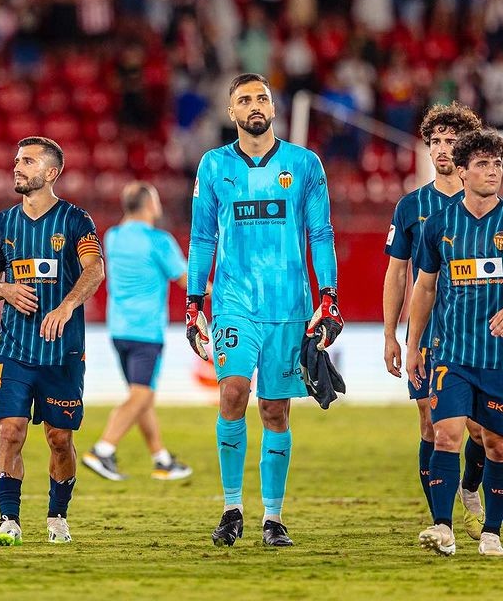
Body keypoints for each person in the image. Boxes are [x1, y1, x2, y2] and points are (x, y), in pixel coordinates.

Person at [187, 73, 341, 548]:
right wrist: (194, 303)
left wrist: (329, 296)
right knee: (233, 392)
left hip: (289, 306)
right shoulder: (213, 165)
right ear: (231, 112)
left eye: (262, 98)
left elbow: (321, 233)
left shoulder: (305, 164)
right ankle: (232, 509)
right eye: (244, 100)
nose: (254, 105)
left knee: (275, 409)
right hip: (233, 302)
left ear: (273, 108)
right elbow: (202, 237)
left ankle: (273, 518)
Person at [407, 129, 503, 557]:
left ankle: (491, 533)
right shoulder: (439, 224)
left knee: (498, 445)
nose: (493, 171)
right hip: (452, 352)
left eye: (497, 164)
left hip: (502, 356)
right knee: (446, 434)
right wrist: (412, 345)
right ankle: (443, 528)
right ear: (463, 171)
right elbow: (424, 288)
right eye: (483, 164)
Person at [0, 136, 105, 547]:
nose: (17, 166)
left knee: (59, 439)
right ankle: (9, 520)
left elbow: (94, 269)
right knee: (10, 432)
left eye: (28, 161)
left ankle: (57, 516)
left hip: (62, 350)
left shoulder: (75, 220)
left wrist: (66, 306)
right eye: (17, 159)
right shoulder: (3, 223)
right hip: (14, 348)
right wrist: (6, 290)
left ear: (51, 173)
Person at [382, 103, 492, 535]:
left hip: (479, 332)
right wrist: (391, 335)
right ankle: (440, 523)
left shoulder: (490, 205)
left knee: (481, 432)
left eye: (452, 140)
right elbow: (397, 273)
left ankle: (469, 487)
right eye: (436, 141)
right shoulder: (412, 206)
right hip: (428, 334)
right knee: (431, 423)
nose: (443, 148)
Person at [82, 181, 192, 482]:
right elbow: (186, 280)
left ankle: (161, 459)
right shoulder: (159, 241)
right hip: (146, 330)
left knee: (142, 396)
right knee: (140, 395)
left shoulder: (113, 237)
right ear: (150, 205)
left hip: (118, 328)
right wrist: (222, 293)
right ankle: (103, 449)